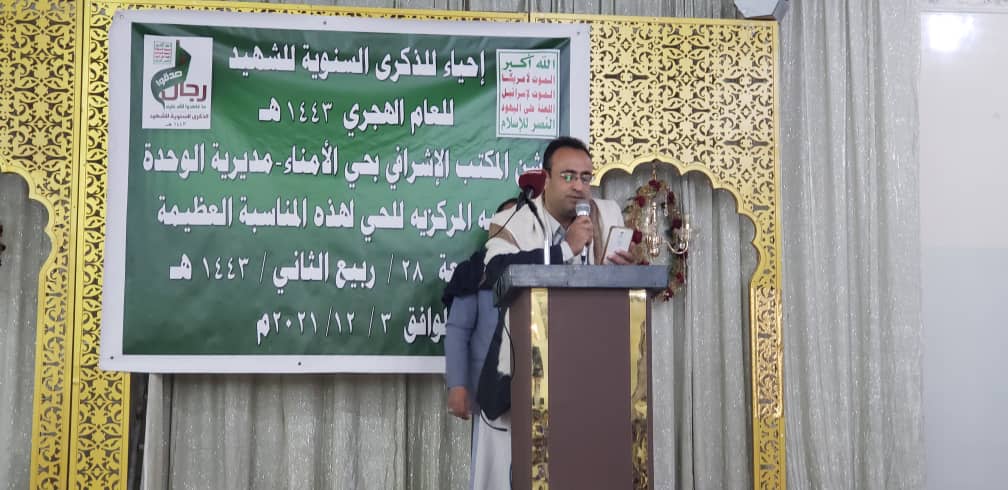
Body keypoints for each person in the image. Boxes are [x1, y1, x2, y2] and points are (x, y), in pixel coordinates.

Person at [442, 198, 516, 490]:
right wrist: (458, 385)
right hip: (490, 395)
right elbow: (458, 331)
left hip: (538, 394)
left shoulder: (545, 265)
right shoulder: (474, 272)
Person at [484, 136, 633, 278]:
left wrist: (626, 271)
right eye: (568, 177)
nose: (579, 187)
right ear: (546, 179)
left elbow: (618, 281)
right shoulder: (509, 221)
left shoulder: (608, 214)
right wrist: (566, 249)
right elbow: (494, 270)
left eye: (585, 178)